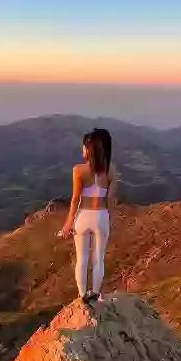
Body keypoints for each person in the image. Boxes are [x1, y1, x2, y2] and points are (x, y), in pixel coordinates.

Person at [58, 128, 117, 303]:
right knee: (99, 258)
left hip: (83, 217)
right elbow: (111, 200)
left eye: (84, 147)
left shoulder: (78, 170)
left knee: (82, 259)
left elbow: (75, 199)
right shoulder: (112, 171)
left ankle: (82, 295)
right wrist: (110, 221)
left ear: (89, 148)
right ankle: (96, 294)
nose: (82, 150)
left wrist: (68, 224)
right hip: (101, 217)